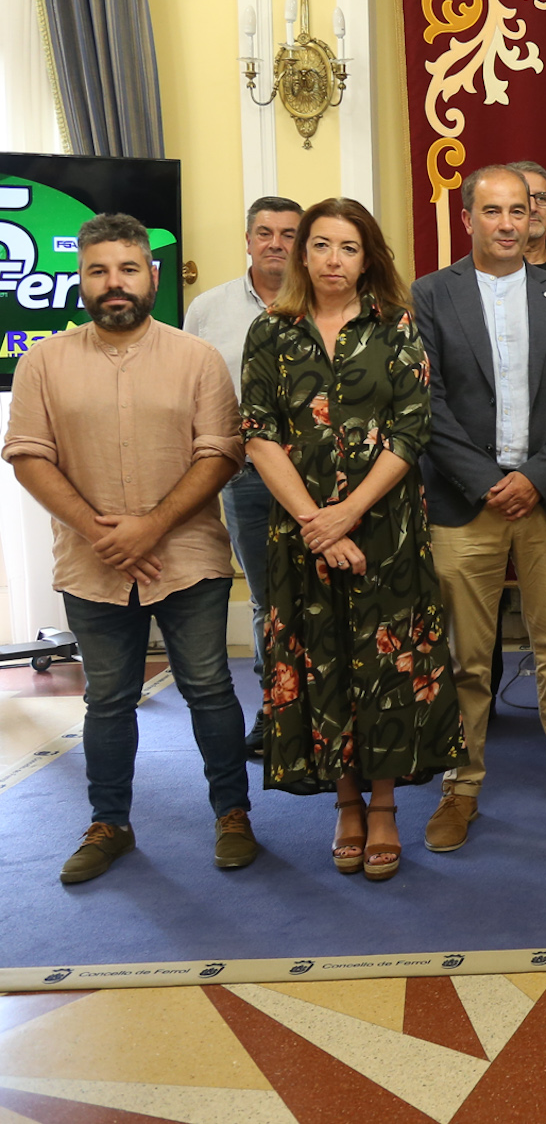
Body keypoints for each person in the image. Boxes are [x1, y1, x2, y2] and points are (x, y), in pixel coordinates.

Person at [5, 214, 257, 883]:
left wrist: (151, 526)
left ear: (152, 275)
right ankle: (109, 823)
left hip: (189, 558)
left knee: (209, 689)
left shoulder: (197, 359)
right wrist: (100, 532)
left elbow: (221, 453)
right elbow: (27, 455)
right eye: (98, 271)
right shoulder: (43, 362)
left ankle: (233, 814)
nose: (113, 283)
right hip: (91, 564)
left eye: (126, 269)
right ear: (81, 280)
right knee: (108, 700)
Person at [242, 198, 463, 879]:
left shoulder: (395, 326)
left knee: (385, 665)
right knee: (323, 661)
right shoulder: (270, 332)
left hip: (386, 528)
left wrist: (347, 514)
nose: (333, 260)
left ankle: (386, 805)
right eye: (321, 245)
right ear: (302, 254)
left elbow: (411, 430)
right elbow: (259, 433)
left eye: (348, 247)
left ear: (368, 259)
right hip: (300, 530)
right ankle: (346, 803)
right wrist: (318, 522)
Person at [412, 165, 546, 852]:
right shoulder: (430, 295)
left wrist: (534, 476)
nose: (507, 223)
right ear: (468, 218)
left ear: (534, 217)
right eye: (492, 210)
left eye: (519, 210)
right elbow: (427, 402)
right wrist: (486, 481)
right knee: (467, 657)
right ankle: (461, 785)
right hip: (463, 502)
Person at [184, 194, 302, 752]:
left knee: (330, 594)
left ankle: (329, 714)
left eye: (289, 234)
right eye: (265, 233)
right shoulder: (208, 310)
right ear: (248, 240)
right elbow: (192, 394)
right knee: (267, 601)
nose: (276, 244)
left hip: (323, 478)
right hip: (246, 477)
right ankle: (275, 710)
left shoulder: (327, 300)